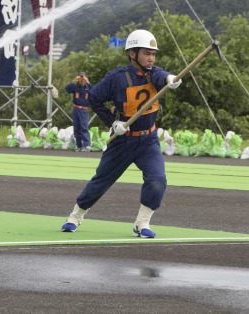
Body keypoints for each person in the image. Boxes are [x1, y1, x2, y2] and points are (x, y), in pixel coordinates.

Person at [61, 29, 182, 239]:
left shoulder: (154, 73)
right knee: (102, 180)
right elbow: (94, 98)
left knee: (157, 179)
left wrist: (170, 78)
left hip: (148, 141)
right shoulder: (116, 78)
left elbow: (161, 76)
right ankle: (75, 216)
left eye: (153, 53)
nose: (151, 58)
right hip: (123, 140)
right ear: (132, 54)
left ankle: (142, 223)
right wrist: (113, 121)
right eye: (146, 53)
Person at [65, 72, 93, 151]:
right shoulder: (75, 87)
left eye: (83, 79)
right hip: (76, 109)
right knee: (76, 128)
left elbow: (95, 91)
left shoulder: (88, 88)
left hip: (84, 109)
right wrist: (73, 81)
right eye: (80, 79)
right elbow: (67, 89)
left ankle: (87, 145)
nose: (82, 81)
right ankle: (79, 146)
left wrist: (88, 82)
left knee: (84, 128)